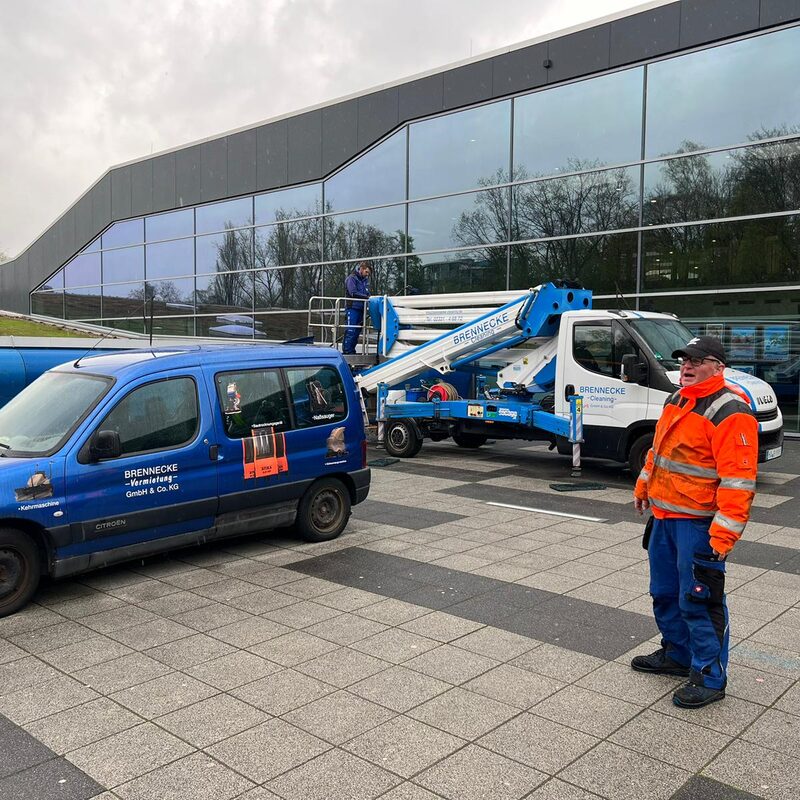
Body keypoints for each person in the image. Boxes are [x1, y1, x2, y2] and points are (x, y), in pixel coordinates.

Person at [632, 335, 757, 709]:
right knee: (665, 593)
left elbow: (739, 481)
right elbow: (659, 449)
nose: (687, 366)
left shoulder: (731, 410)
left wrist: (723, 536)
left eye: (696, 361)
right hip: (665, 517)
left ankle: (709, 676)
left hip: (699, 524)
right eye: (684, 360)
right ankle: (678, 655)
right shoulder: (678, 400)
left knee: (699, 600)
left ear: (717, 367)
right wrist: (644, 484)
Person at [343, 261, 371, 354]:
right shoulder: (352, 278)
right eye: (366, 272)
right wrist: (367, 297)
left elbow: (367, 293)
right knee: (351, 330)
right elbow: (353, 292)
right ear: (361, 269)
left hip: (361, 309)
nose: (367, 275)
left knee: (357, 332)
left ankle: (352, 350)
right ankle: (347, 351)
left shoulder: (364, 281)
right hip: (352, 308)